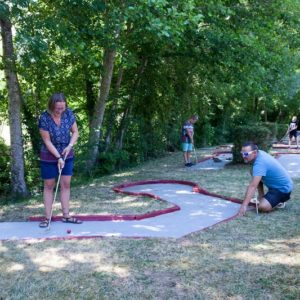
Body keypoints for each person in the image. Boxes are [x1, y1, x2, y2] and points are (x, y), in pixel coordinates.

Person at [38, 93, 82, 227]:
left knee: (66, 184)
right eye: (58, 108)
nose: (60, 111)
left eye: (62, 108)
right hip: (49, 155)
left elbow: (75, 132)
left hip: (67, 153)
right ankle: (47, 218)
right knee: (49, 185)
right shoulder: (44, 117)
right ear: (52, 106)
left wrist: (70, 146)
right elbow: (46, 140)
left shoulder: (68, 113)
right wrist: (58, 157)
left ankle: (66, 215)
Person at [238, 142, 293, 217]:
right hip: (274, 187)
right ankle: (262, 196)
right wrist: (260, 196)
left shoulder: (260, 163)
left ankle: (279, 201)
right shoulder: (259, 153)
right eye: (242, 153)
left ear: (254, 152)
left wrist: (244, 206)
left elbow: (253, 186)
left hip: (283, 189)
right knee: (253, 171)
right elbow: (257, 180)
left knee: (262, 207)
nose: (243, 156)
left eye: (246, 154)